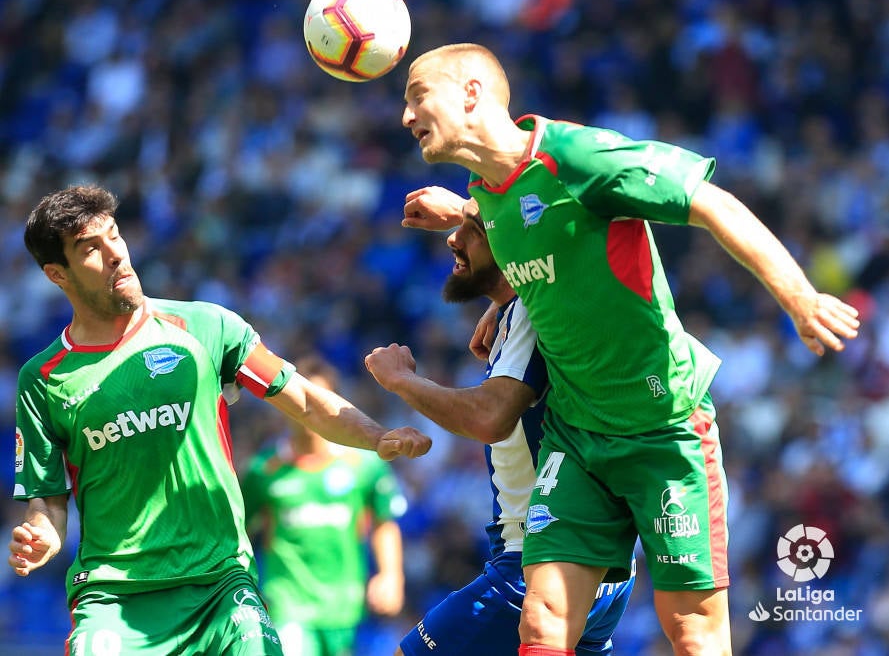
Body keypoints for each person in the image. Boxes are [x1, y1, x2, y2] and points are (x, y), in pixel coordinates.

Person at [397, 43, 861, 656]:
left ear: (472, 94)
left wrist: (800, 297)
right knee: (541, 624)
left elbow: (709, 203)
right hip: (578, 438)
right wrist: (487, 274)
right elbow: (529, 226)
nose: (406, 116)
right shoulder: (486, 192)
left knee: (693, 634)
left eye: (416, 95)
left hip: (664, 428)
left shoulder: (580, 156)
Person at [8, 184, 430, 655]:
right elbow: (47, 500)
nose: (115, 255)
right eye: (91, 249)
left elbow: (306, 401)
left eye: (115, 236)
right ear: (56, 273)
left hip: (221, 587)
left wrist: (378, 437)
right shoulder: (44, 378)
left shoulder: (207, 327)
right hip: (115, 597)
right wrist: (43, 533)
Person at [364, 197, 634, 656]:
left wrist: (401, 380)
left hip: (538, 561)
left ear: (515, 249)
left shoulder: (533, 313)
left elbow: (489, 416)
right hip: (596, 566)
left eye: (472, 230)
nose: (453, 238)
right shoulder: (534, 306)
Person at [240, 353, 407, 656]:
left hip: (347, 608)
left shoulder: (364, 464)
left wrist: (390, 575)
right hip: (288, 605)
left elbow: (384, 520)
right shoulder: (263, 470)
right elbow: (238, 535)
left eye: (318, 400)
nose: (306, 409)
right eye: (299, 400)